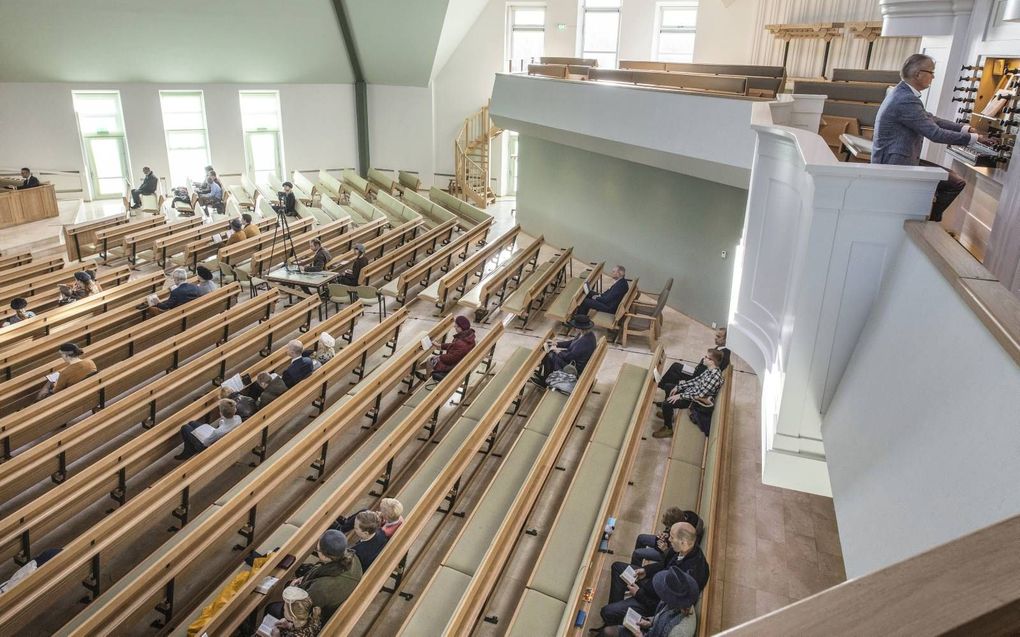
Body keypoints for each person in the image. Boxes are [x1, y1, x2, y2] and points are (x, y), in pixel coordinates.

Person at [872, 54, 996, 222]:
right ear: (918, 74)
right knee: (954, 183)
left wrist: (965, 128)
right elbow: (935, 134)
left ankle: (926, 216)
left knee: (954, 181)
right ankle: (926, 222)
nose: (933, 76)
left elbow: (931, 119)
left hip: (901, 158)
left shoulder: (903, 92)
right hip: (896, 164)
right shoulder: (905, 99)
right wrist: (974, 139)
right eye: (931, 72)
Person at [600, 522, 709, 626]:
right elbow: (664, 565)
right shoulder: (685, 548)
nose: (669, 540)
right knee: (618, 567)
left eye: (672, 537)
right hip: (653, 584)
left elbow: (662, 607)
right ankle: (617, 610)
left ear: (683, 542)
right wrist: (646, 571)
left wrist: (638, 594)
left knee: (606, 612)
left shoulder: (687, 577)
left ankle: (615, 618)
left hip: (650, 601)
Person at [283, 530, 362, 622]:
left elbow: (303, 609)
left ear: (326, 557)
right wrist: (306, 578)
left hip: (320, 614)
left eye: (317, 549)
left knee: (273, 607)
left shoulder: (322, 588)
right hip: (334, 595)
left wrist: (293, 589)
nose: (317, 550)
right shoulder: (354, 558)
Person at [597, 567, 699, 637]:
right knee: (608, 631)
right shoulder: (679, 601)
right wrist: (649, 622)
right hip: (649, 632)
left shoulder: (680, 632)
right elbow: (662, 616)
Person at [653, 349, 725, 439]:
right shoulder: (710, 370)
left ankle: (668, 428)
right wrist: (679, 387)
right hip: (692, 392)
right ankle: (668, 415)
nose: (704, 358)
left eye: (706, 357)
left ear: (712, 361)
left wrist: (680, 395)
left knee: (666, 404)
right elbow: (696, 380)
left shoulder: (714, 377)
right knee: (668, 386)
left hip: (695, 402)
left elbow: (699, 395)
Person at [533, 314, 597, 386]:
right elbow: (571, 342)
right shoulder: (587, 334)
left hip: (574, 367)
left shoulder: (584, 342)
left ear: (580, 328)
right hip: (574, 359)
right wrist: (557, 343)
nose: (574, 327)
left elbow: (570, 356)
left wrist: (558, 351)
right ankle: (546, 376)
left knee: (550, 355)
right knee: (551, 353)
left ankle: (545, 381)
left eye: (576, 326)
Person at [658, 329, 730, 390]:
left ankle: (661, 386)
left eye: (718, 336)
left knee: (676, 367)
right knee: (675, 371)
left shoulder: (724, 354)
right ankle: (667, 388)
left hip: (698, 375)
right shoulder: (721, 349)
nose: (715, 338)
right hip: (698, 371)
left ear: (726, 339)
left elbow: (713, 370)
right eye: (716, 335)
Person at [175, 398, 243, 460]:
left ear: (221, 413)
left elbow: (206, 443)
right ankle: (189, 450)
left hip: (207, 447)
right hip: (220, 437)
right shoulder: (238, 418)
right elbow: (225, 425)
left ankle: (188, 452)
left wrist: (199, 434)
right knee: (192, 423)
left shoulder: (218, 432)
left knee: (185, 428)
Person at [630, 508, 701, 567]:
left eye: (669, 527)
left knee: (637, 553)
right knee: (641, 538)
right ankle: (636, 567)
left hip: (667, 553)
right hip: (666, 543)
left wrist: (665, 549)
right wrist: (666, 533)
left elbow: (674, 555)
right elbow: (669, 533)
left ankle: (634, 575)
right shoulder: (686, 515)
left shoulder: (684, 538)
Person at [419, 315, 475, 381]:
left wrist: (440, 357)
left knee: (430, 360)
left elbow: (450, 359)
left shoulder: (461, 343)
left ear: (460, 328)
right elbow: (454, 345)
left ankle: (427, 378)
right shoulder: (468, 337)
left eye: (456, 326)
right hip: (460, 362)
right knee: (434, 358)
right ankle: (424, 371)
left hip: (452, 366)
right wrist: (440, 345)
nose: (454, 327)